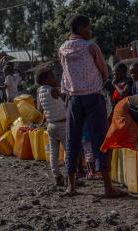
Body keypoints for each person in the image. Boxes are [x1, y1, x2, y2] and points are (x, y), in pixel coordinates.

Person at [59, 15, 124, 197]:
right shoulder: (91, 47)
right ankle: (107, 187)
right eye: (89, 27)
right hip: (93, 98)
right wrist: (101, 81)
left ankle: (71, 186)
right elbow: (104, 71)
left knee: (72, 140)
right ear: (81, 28)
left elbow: (64, 73)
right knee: (100, 141)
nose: (91, 31)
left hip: (73, 99)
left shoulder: (62, 49)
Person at [36, 68, 66, 186]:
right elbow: (64, 93)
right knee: (68, 151)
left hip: (51, 125)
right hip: (62, 125)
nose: (55, 78)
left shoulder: (40, 91)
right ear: (45, 79)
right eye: (52, 76)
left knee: (53, 153)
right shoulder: (52, 90)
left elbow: (40, 109)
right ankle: (70, 175)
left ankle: (57, 175)